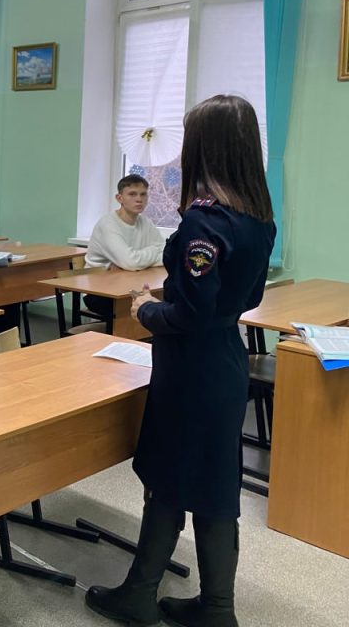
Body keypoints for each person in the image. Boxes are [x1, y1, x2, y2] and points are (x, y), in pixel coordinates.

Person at [85, 95, 275, 627]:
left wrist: (148, 309)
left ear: (204, 148)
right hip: (226, 361)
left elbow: (190, 314)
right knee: (215, 485)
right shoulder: (258, 217)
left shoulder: (202, 220)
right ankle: (216, 608)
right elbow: (243, 296)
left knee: (167, 478)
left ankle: (140, 594)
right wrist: (177, 297)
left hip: (190, 369)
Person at [83, 174, 166, 319]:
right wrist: (152, 252)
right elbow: (130, 261)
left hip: (130, 284)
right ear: (119, 198)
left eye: (143, 194)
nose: (139, 199)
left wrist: (134, 262)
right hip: (98, 291)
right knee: (146, 308)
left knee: (160, 301)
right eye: (132, 194)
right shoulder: (108, 224)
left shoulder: (145, 222)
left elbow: (166, 254)